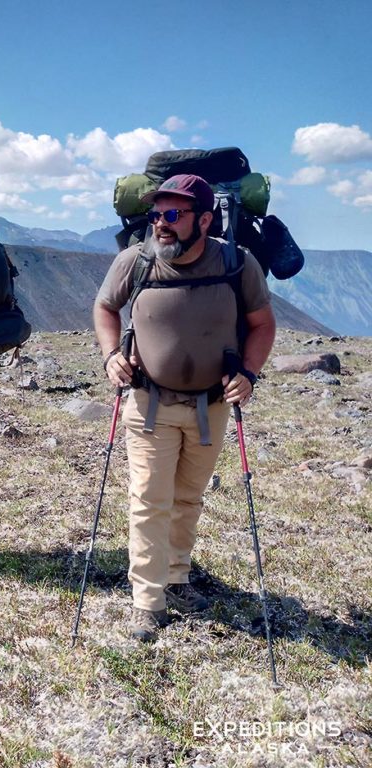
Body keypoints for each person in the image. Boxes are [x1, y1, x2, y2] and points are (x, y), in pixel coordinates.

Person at [93, 174, 276, 641]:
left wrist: (249, 375)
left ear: (206, 219)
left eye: (173, 215)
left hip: (211, 407)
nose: (161, 224)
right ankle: (147, 601)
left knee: (188, 498)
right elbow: (105, 307)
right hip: (148, 403)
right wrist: (112, 355)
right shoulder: (135, 262)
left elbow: (261, 323)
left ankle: (177, 577)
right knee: (149, 501)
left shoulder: (236, 263)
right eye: (156, 215)